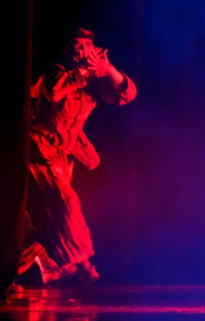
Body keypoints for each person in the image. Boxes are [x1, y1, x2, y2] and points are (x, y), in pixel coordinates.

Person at [23, 28, 137, 284]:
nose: (83, 49)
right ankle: (84, 265)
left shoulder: (94, 80)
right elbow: (54, 92)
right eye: (77, 44)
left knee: (41, 214)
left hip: (63, 153)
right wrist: (83, 73)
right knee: (67, 201)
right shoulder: (56, 71)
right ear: (66, 50)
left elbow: (126, 95)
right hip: (38, 149)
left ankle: (43, 266)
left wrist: (108, 69)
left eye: (87, 45)